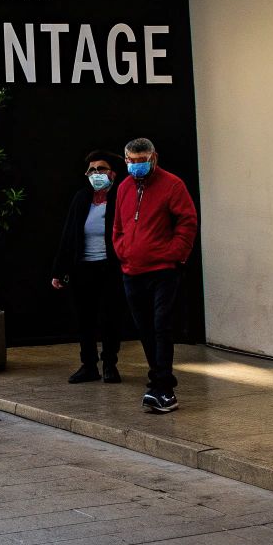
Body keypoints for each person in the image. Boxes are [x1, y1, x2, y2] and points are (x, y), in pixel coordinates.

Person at [110, 136, 197, 415]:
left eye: (142, 161)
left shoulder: (172, 185)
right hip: (132, 270)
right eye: (131, 161)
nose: (136, 166)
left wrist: (174, 254)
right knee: (145, 328)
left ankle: (163, 387)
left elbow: (187, 221)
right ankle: (158, 381)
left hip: (162, 270)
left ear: (153, 158)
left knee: (162, 326)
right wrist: (123, 251)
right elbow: (118, 227)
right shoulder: (123, 187)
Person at [51, 150, 124, 384]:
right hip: (83, 267)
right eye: (91, 170)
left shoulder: (120, 197)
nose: (96, 173)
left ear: (112, 173)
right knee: (85, 319)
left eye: (101, 169)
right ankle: (89, 366)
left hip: (110, 268)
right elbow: (69, 234)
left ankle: (110, 365)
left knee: (110, 318)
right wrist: (58, 270)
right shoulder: (81, 198)